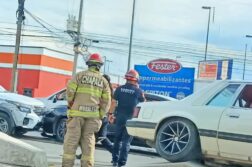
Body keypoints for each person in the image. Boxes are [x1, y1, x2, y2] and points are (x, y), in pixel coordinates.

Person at [62, 53, 111, 167]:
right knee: (88, 143)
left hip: (76, 115)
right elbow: (106, 101)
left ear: (89, 64)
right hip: (93, 117)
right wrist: (100, 115)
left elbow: (69, 92)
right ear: (99, 66)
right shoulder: (104, 81)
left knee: (71, 142)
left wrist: (71, 103)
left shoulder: (79, 76)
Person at [110, 69, 145, 167]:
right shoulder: (138, 91)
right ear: (136, 79)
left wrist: (110, 114)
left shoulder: (119, 89)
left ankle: (114, 160)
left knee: (117, 139)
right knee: (126, 141)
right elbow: (143, 103)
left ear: (126, 78)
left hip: (119, 116)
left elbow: (113, 103)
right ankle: (122, 163)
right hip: (131, 118)